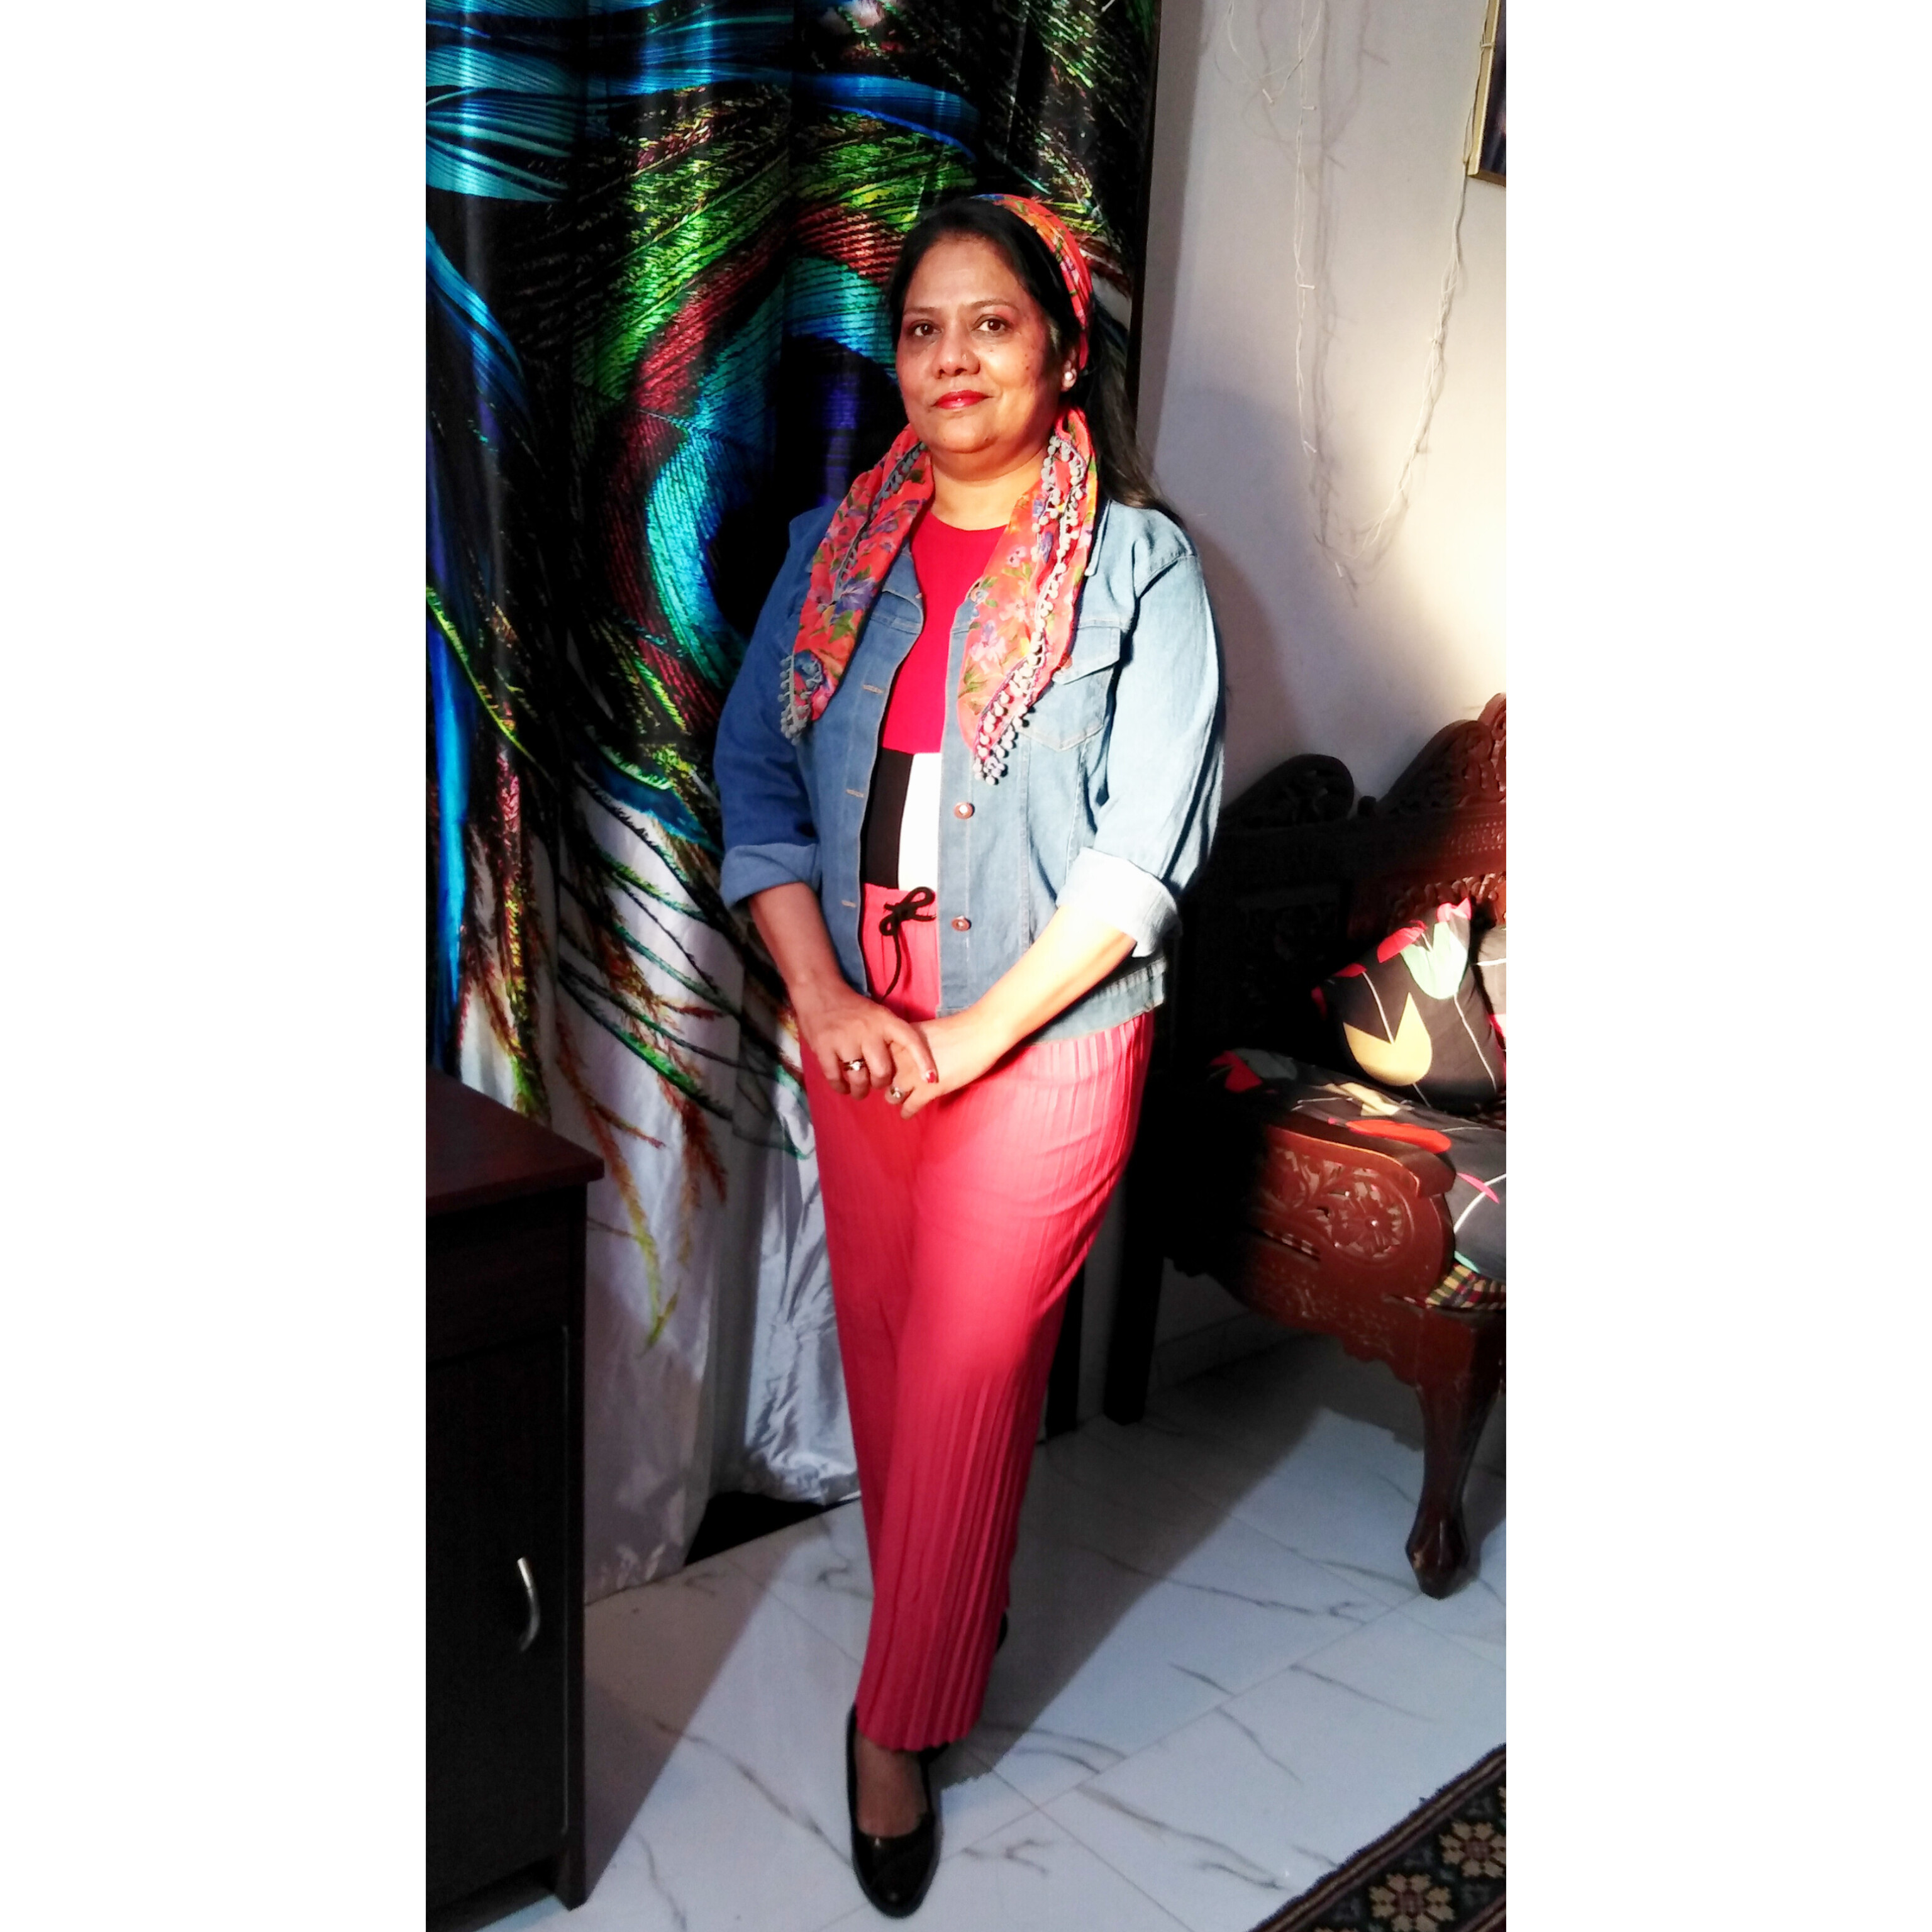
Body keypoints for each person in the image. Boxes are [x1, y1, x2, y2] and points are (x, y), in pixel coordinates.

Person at [714, 192, 1223, 1918]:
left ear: (1062, 353)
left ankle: (897, 1723)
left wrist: (973, 1038)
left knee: (965, 1369)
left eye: (991, 325)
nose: (952, 359)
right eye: (924, 330)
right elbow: (759, 786)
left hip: (1043, 1037)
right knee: (883, 1352)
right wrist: (823, 999)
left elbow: (1142, 852)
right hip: (863, 1032)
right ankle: (952, 1597)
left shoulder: (1142, 569)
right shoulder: (830, 550)